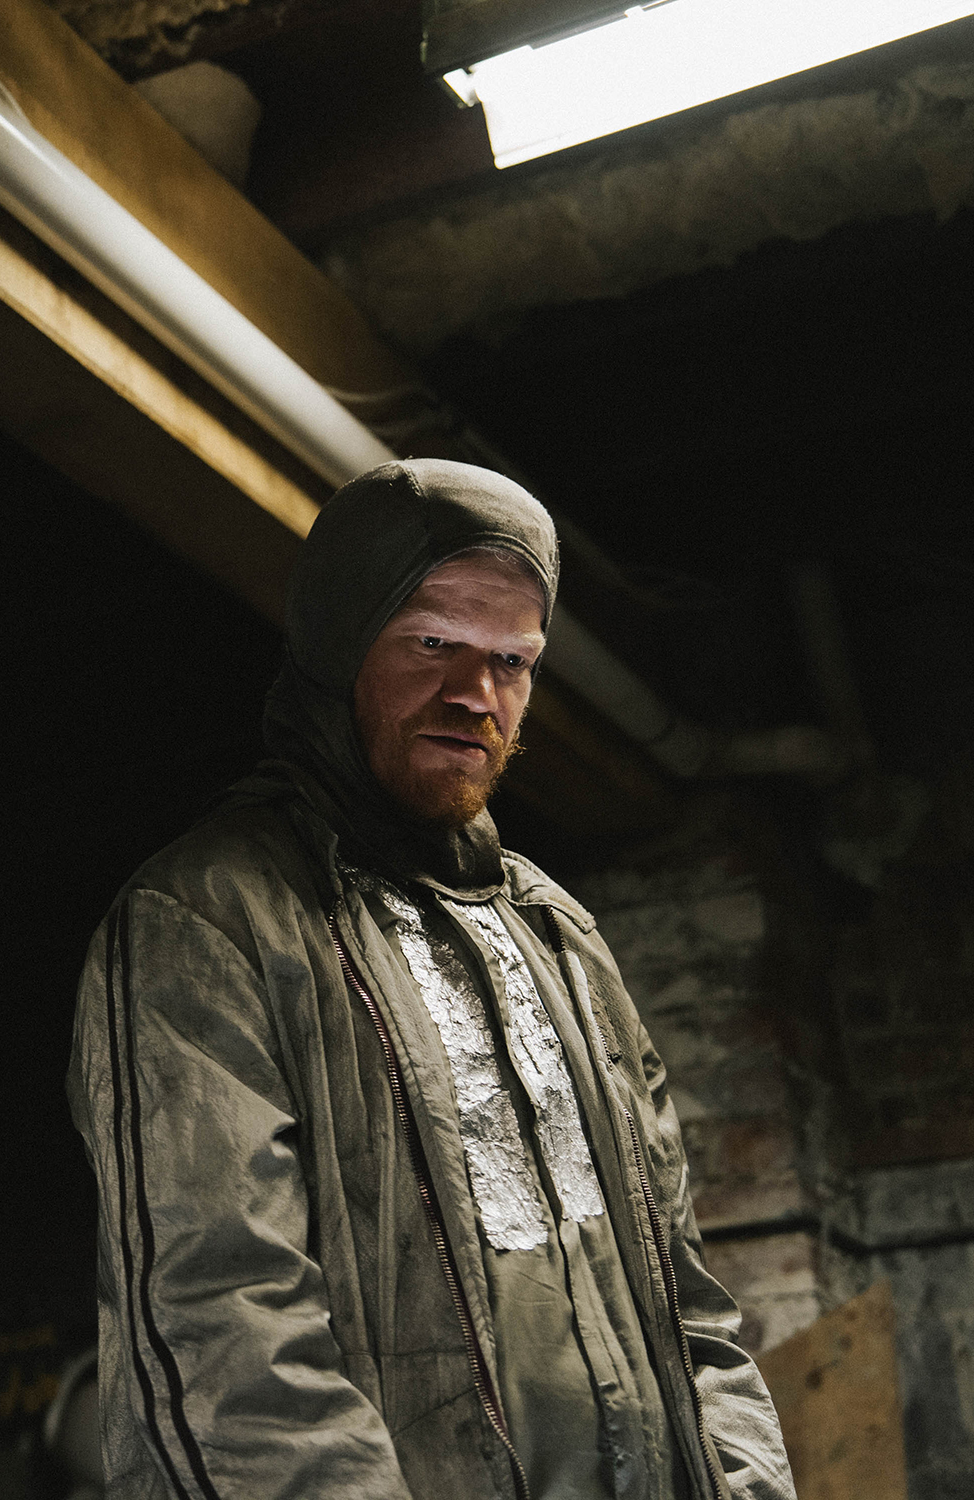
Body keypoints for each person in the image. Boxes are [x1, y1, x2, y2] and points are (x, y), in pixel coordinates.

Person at [68, 460, 795, 1500]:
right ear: (336, 645)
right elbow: (222, 1330)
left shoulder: (558, 939)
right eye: (432, 644)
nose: (475, 695)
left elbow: (687, 1300)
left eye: (512, 660)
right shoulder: (207, 919)